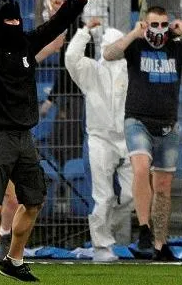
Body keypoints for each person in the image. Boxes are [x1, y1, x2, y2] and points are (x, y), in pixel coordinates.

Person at [0, 0, 92, 282]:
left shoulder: (26, 44)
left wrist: (77, 1)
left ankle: (13, 259)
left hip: (24, 137)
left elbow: (55, 25)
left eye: (16, 19)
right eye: (7, 20)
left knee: (34, 200)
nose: (13, 24)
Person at [103, 7, 182, 261]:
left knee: (163, 187)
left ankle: (160, 244)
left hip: (168, 125)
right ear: (145, 23)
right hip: (138, 120)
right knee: (141, 168)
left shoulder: (177, 47)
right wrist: (134, 33)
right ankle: (144, 228)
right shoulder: (136, 45)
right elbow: (109, 54)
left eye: (164, 24)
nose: (160, 29)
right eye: (155, 24)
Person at [64, 22, 133, 263]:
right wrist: (83, 32)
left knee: (131, 195)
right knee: (102, 196)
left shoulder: (131, 69)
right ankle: (101, 246)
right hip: (100, 139)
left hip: (127, 138)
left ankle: (103, 230)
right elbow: (71, 58)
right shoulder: (92, 70)